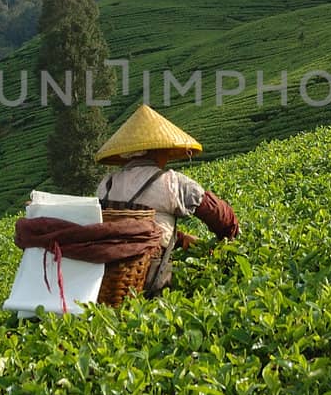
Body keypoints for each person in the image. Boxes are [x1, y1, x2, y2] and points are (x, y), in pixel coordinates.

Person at [93, 104, 239, 296]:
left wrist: (180, 239)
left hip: (108, 280)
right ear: (157, 151)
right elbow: (219, 215)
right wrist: (230, 238)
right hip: (149, 279)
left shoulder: (107, 185)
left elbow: (127, 227)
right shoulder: (172, 183)